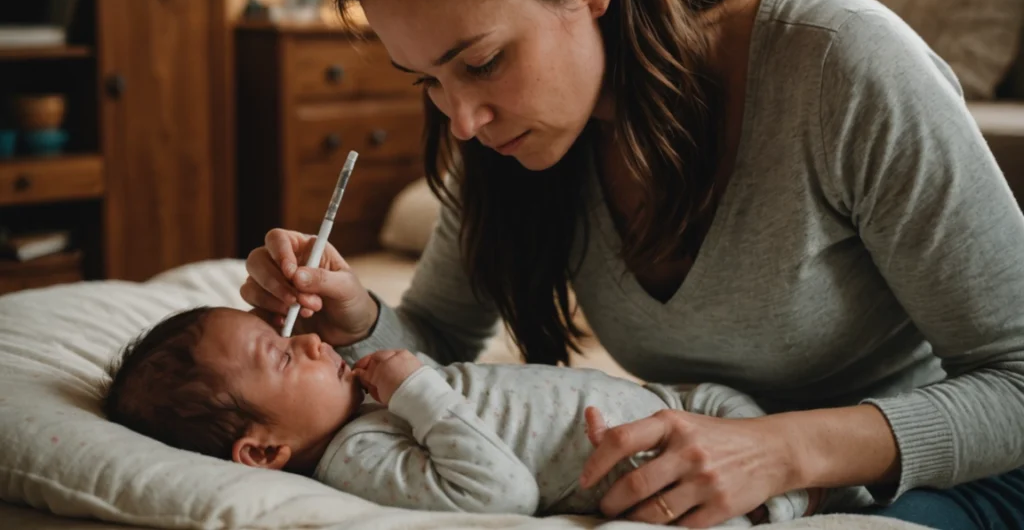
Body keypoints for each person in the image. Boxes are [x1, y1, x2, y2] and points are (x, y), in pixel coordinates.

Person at [241, 0, 1024, 530]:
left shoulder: (839, 66)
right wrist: (359, 321)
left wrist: (779, 451)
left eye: (481, 61)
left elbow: (1016, 380)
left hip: (938, 476)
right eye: (430, 82)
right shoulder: (506, 135)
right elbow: (443, 339)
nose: (464, 122)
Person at [103, 305, 852, 523]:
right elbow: (500, 494)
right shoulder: (356, 458)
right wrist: (415, 392)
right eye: (278, 355)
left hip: (669, 403)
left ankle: (822, 473)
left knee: (743, 414)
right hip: (644, 463)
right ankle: (807, 502)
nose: (304, 339)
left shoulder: (362, 397)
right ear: (264, 452)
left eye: (284, 331)